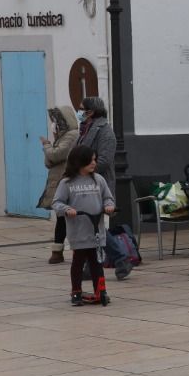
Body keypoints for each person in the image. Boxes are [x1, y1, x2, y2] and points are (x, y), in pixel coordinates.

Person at [51, 145, 116, 306]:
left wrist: (109, 206)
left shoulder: (98, 180)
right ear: (79, 161)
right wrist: (67, 209)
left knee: (97, 263)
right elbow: (57, 202)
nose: (94, 163)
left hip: (96, 230)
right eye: (91, 160)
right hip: (78, 231)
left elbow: (108, 198)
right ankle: (76, 291)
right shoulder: (67, 183)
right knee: (78, 262)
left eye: (95, 159)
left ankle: (100, 290)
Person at [39, 104, 78, 265]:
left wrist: (47, 146)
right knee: (60, 216)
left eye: (57, 120)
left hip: (66, 181)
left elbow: (56, 155)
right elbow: (49, 162)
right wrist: (50, 150)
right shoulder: (62, 137)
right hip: (57, 179)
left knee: (64, 216)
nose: (54, 124)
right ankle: (57, 250)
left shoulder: (71, 135)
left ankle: (60, 251)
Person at [78, 97, 117, 200]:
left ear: (90, 112)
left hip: (96, 186)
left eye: (81, 109)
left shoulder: (105, 132)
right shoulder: (85, 129)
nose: (79, 112)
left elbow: (104, 161)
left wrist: (83, 173)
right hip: (82, 185)